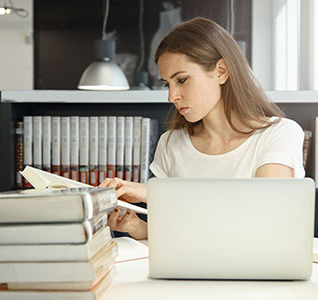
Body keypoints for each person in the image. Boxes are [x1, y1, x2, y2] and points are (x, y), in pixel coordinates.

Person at [100, 17, 305, 240]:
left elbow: (265, 211)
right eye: (167, 84)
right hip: (186, 271)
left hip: (257, 271)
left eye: (182, 80)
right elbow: (178, 234)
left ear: (221, 71)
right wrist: (137, 227)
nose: (172, 96)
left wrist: (158, 193)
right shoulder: (171, 144)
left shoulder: (280, 134)